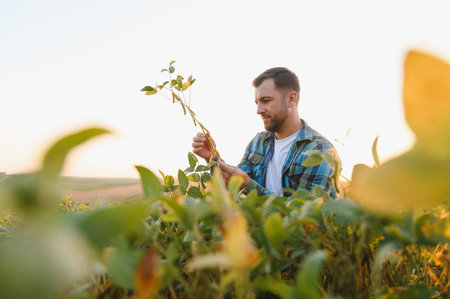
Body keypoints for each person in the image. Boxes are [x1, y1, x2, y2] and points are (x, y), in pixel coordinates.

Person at [192, 67, 340, 198]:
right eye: (257, 103)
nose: (259, 110)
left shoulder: (320, 150)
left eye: (266, 100)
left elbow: (306, 214)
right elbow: (233, 186)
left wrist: (249, 184)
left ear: (291, 99)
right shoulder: (258, 142)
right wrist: (212, 158)